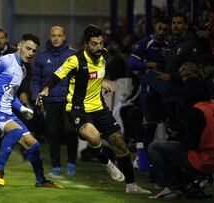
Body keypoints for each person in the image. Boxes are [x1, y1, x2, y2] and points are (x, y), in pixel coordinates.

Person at [36, 24, 150, 194]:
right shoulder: (75, 60)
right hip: (77, 108)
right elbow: (57, 75)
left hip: (99, 107)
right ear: (86, 44)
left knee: (120, 142)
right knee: (94, 136)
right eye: (94, 44)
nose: (99, 47)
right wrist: (45, 89)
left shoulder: (103, 55)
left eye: (101, 43)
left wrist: (102, 83)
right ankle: (107, 163)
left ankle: (131, 186)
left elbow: (94, 74)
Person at [0, 33, 61, 188]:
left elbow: (10, 94)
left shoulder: (22, 70)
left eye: (33, 51)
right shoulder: (6, 61)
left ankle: (41, 180)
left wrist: (22, 108)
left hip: (7, 113)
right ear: (20, 46)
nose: (30, 53)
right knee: (15, 132)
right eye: (28, 48)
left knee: (33, 145)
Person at [148, 78, 214, 199]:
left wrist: (178, 135)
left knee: (154, 147)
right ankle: (184, 182)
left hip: (202, 159)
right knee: (171, 147)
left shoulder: (197, 110)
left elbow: (192, 143)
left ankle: (171, 186)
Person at [31, 26, 78, 176]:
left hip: (69, 100)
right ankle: (56, 166)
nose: (56, 38)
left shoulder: (74, 55)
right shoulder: (42, 57)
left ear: (64, 37)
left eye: (59, 35)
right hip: (50, 101)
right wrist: (35, 96)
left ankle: (71, 162)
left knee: (71, 132)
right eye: (53, 35)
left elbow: (81, 77)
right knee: (53, 134)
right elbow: (36, 79)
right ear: (49, 37)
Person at [128, 16, 169, 160]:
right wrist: (147, 65)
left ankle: (159, 161)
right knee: (150, 126)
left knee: (167, 126)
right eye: (160, 28)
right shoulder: (145, 43)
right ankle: (146, 162)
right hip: (150, 88)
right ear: (155, 27)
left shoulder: (170, 45)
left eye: (165, 29)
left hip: (167, 89)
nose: (162, 31)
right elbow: (132, 62)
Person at [157, 13, 202, 139]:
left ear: (186, 26)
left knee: (179, 131)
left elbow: (193, 73)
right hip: (169, 95)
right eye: (174, 23)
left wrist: (172, 77)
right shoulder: (171, 45)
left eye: (179, 23)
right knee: (170, 128)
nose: (175, 26)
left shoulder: (190, 45)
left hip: (182, 96)